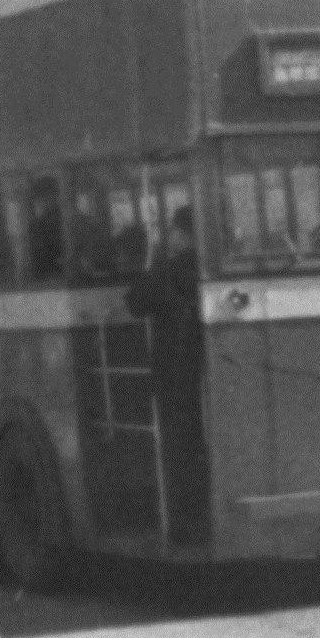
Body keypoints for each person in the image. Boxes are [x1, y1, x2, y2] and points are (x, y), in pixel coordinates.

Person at [125, 206, 211, 547]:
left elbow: (134, 302)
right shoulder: (209, 269)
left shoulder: (168, 270)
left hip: (176, 374)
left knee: (179, 449)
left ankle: (186, 524)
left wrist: (156, 258)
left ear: (180, 234)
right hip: (208, 372)